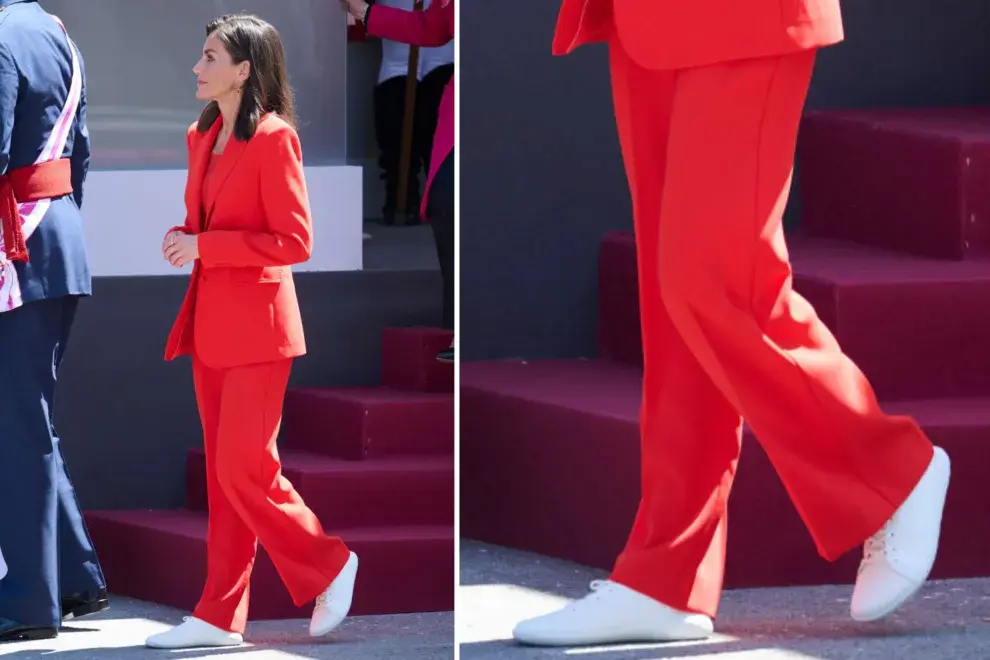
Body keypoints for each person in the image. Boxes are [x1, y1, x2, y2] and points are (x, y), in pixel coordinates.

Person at [512, 0, 952, 647]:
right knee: (673, 305)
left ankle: (891, 473)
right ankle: (667, 577)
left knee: (716, 281)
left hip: (743, 14)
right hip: (644, 20)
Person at [148, 14, 358, 649]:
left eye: (209, 56)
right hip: (209, 324)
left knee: (244, 467)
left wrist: (205, 245)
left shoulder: (274, 139)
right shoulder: (200, 134)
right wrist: (190, 244)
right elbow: (208, 226)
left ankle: (329, 564)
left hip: (261, 331)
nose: (197, 67)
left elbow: (294, 241)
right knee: (222, 476)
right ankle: (217, 615)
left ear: (244, 70)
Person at [0, 0, 109, 643]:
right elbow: (81, 152)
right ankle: (74, 574)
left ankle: (30, 600)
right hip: (50, 236)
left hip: (18, 245)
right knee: (26, 416)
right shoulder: (54, 30)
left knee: (17, 424)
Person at [344, 0, 455, 363]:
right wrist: (367, 13)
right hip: (400, 64)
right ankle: (458, 326)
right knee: (444, 200)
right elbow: (433, 26)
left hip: (461, 76)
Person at [373, 0, 454, 229]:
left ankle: (441, 208)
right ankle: (401, 201)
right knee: (395, 135)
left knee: (438, 139)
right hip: (397, 56)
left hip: (444, 55)